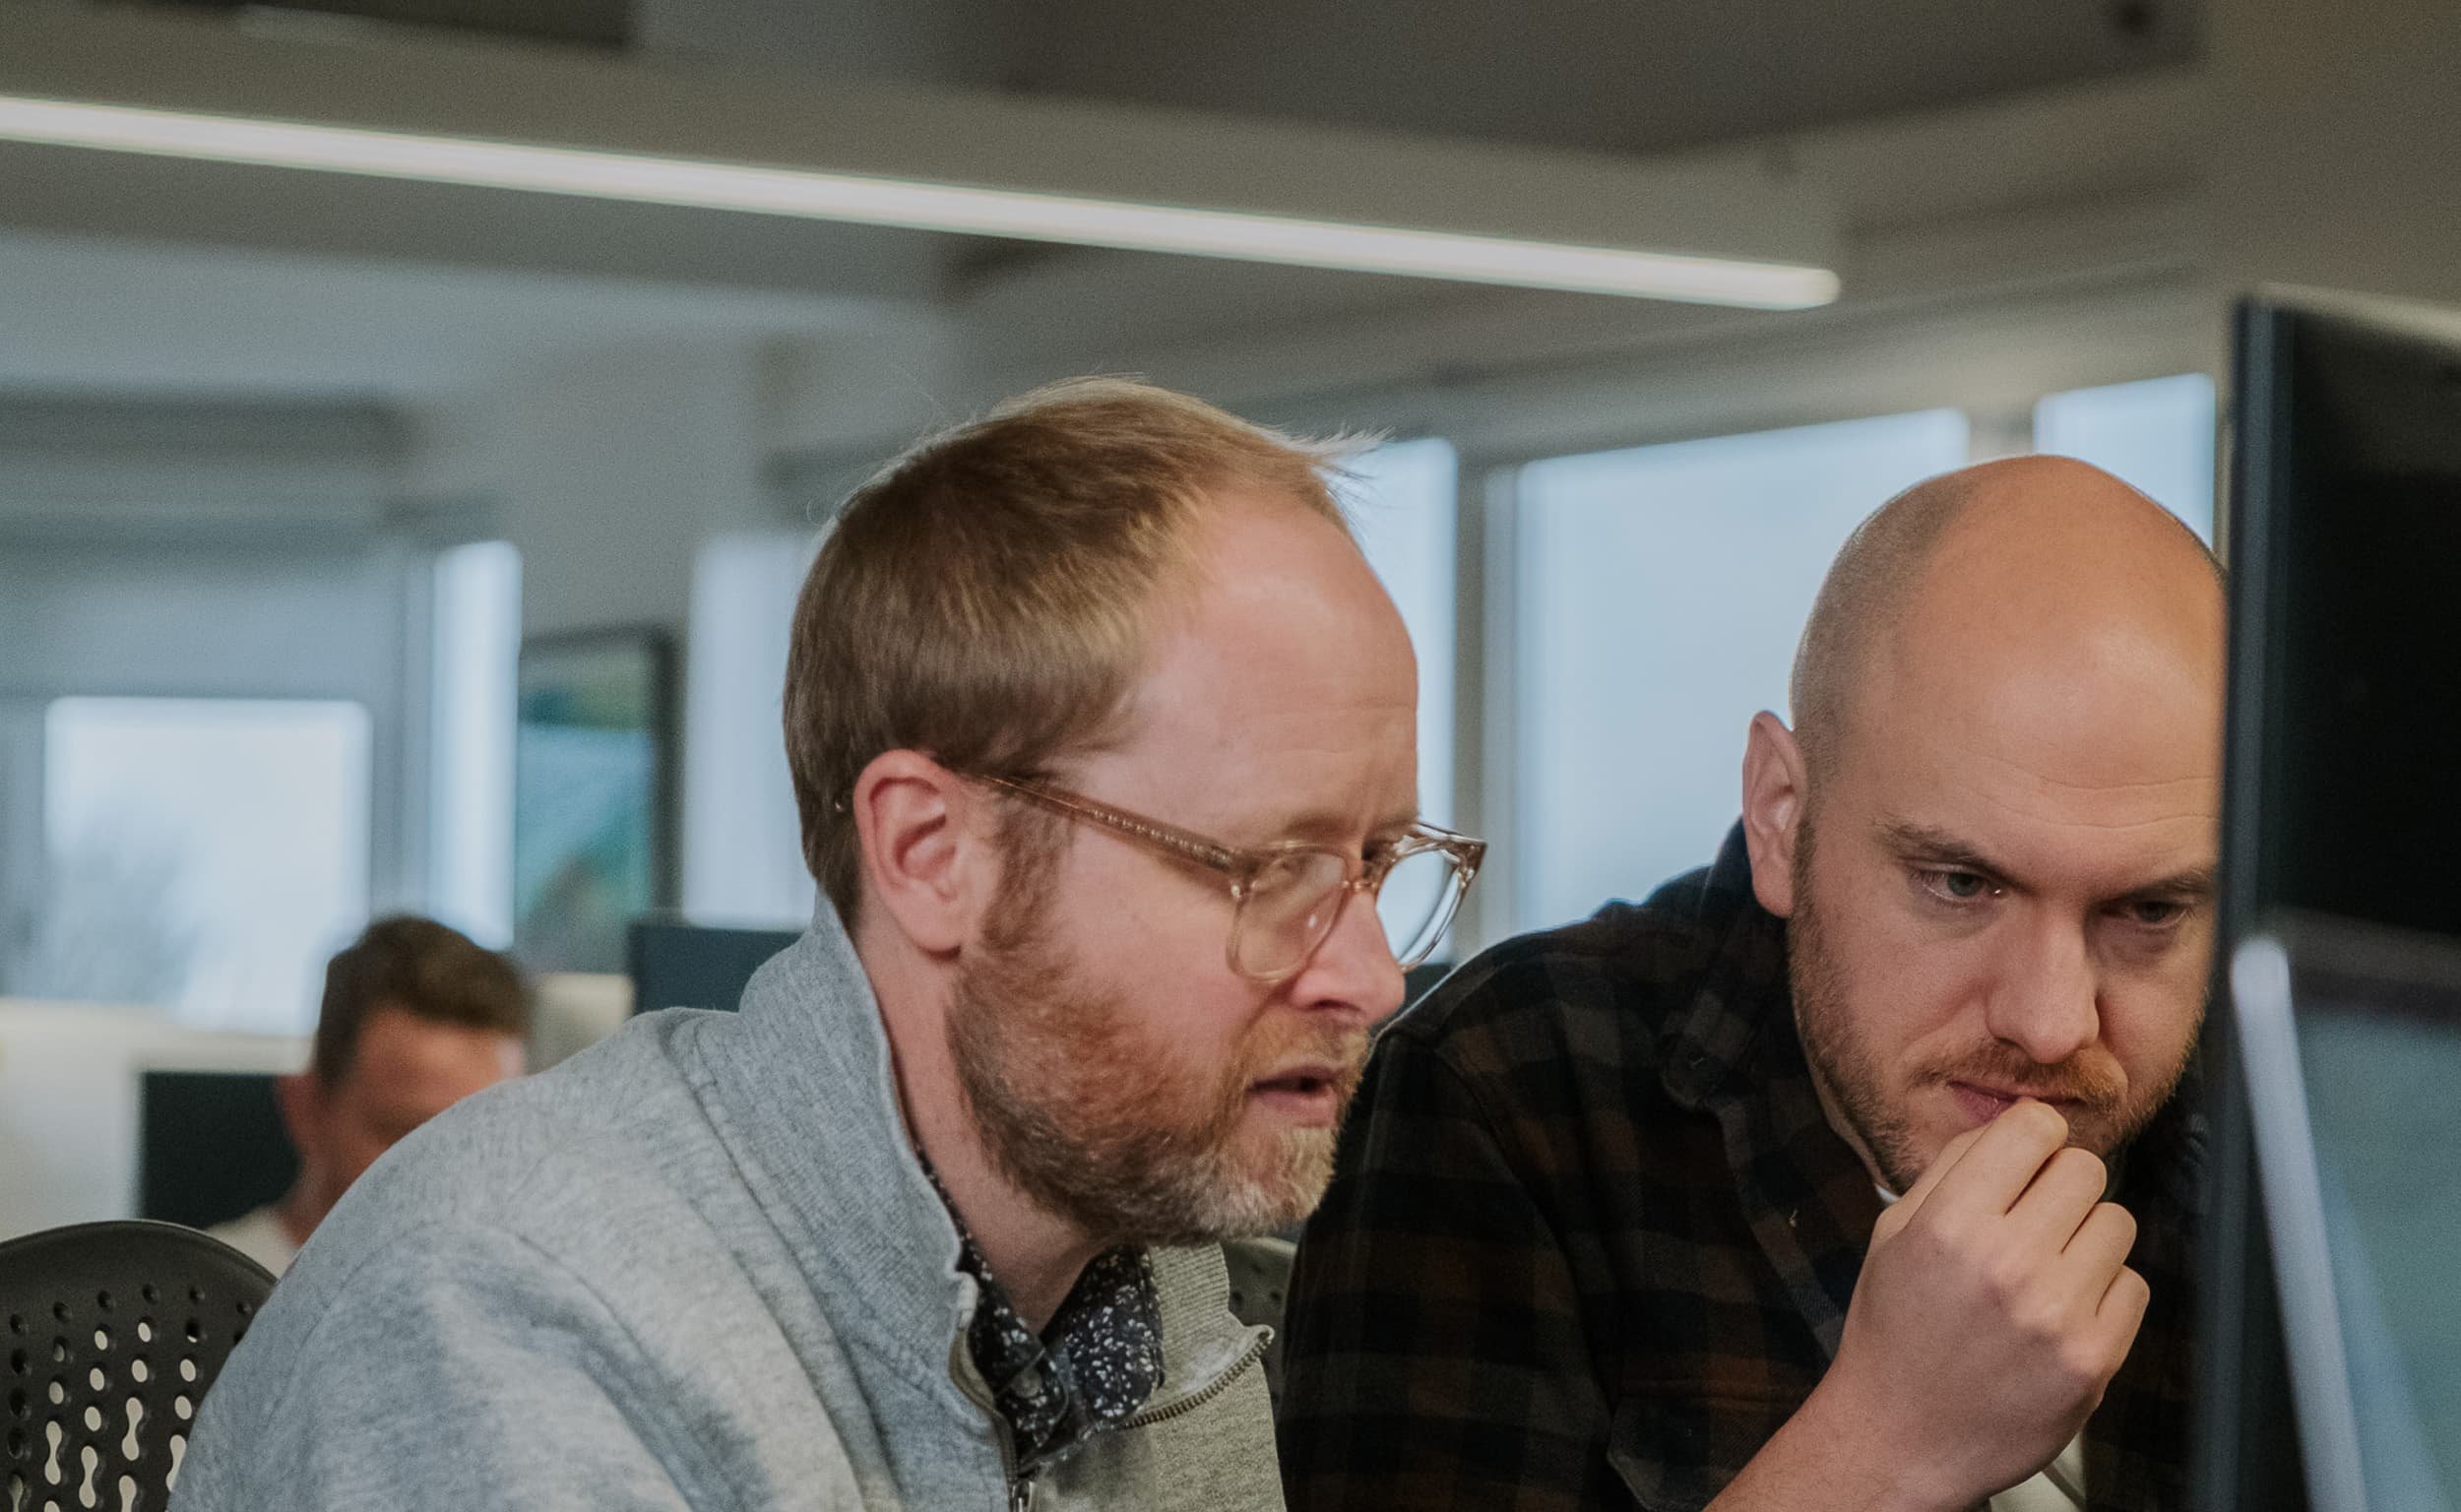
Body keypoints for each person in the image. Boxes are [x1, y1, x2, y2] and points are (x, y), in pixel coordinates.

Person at [175, 379, 1483, 1511]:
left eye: (1376, 864)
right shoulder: (516, 1309)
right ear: (931, 855)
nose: (1369, 978)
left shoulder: (1150, 1289)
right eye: (1269, 870)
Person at [1278, 457, 2223, 1512]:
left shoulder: (2285, 1134)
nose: (2052, 1025)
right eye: (1959, 884)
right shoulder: (1508, 1092)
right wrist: (1884, 1447)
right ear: (1780, 817)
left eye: (2146, 913)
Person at [207, 914, 529, 1276]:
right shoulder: (201, 1296)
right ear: (305, 1108)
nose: (455, 1177)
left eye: (488, 1142)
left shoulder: (520, 1301)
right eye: (410, 1138)